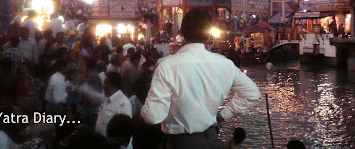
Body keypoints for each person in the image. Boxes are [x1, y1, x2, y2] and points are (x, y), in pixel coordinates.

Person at [140, 8, 261, 149]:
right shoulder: (225, 64)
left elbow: (153, 116)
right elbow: (252, 93)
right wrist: (222, 115)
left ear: (182, 34)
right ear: (209, 36)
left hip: (182, 143)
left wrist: (141, 112)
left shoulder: (168, 66)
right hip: (212, 139)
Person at [95, 72, 132, 138]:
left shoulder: (123, 103)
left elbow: (125, 129)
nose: (103, 86)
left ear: (113, 85)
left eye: (106, 84)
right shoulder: (106, 98)